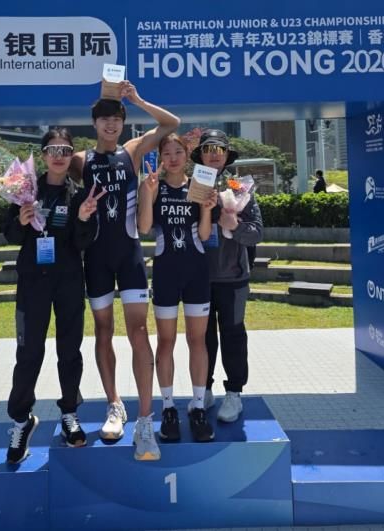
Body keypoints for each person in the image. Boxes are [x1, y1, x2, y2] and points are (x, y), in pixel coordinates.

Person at [69, 81, 180, 461]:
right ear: (94, 123)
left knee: (138, 332)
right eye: (104, 119)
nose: (111, 124)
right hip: (96, 259)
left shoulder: (132, 151)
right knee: (103, 331)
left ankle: (145, 420)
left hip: (130, 256)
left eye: (116, 118)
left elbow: (171, 124)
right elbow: (52, 169)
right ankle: (114, 405)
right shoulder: (80, 160)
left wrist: (137, 100)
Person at [3, 128, 104, 464]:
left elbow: (83, 242)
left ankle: (69, 413)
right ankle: (21, 420)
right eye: (53, 150)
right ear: (43, 155)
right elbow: (10, 235)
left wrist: (84, 218)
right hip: (33, 282)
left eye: (65, 150)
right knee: (29, 352)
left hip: (68, 281)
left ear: (71, 155)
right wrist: (21, 221)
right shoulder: (24, 189)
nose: (59, 156)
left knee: (69, 350)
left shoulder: (79, 194)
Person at [137, 134, 217, 442]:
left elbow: (205, 235)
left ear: (187, 155)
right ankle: (168, 407)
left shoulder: (198, 186)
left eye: (178, 152)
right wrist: (148, 194)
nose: (172, 158)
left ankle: (198, 407)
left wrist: (207, 208)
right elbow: (145, 228)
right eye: (167, 153)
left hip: (196, 273)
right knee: (166, 341)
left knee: (198, 340)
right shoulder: (154, 186)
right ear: (160, 157)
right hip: (166, 275)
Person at [190, 129, 263, 423]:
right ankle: (203, 389)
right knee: (202, 338)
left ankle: (234, 392)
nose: (214, 154)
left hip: (233, 277)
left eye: (219, 149)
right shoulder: (191, 184)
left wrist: (233, 226)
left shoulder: (238, 185)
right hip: (199, 276)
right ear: (200, 155)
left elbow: (256, 232)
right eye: (208, 149)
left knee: (233, 335)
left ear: (227, 155)